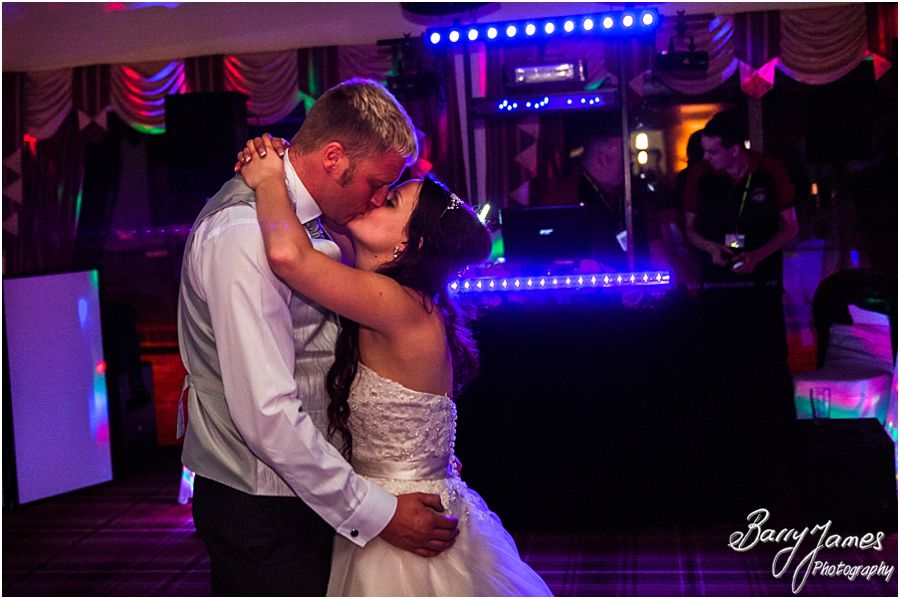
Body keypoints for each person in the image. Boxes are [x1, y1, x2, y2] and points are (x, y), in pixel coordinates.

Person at [177, 79, 459, 596]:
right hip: (263, 503)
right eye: (378, 182)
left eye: (389, 194)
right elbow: (266, 413)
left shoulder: (319, 220)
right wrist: (372, 512)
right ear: (333, 158)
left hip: (316, 489)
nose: (378, 198)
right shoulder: (243, 235)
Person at [238, 134, 553, 596]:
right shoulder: (397, 297)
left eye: (390, 202)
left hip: (403, 521)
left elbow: (289, 255)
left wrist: (267, 178)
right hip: (397, 503)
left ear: (410, 243)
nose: (375, 199)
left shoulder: (397, 304)